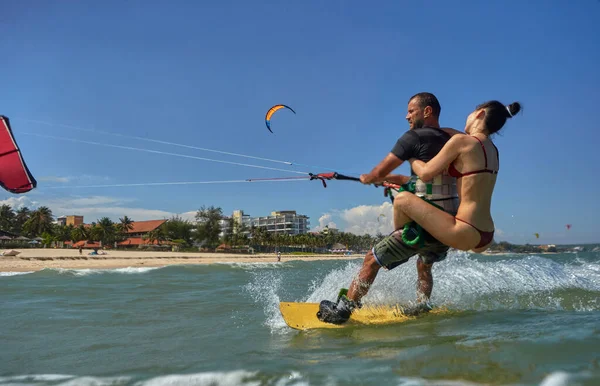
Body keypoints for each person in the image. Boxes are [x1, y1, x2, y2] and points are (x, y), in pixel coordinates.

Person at [317, 92, 460, 324]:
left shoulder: (414, 137)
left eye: (411, 111)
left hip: (423, 229)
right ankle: (422, 305)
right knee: (424, 265)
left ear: (427, 111)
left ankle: (343, 310)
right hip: (449, 230)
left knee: (371, 260)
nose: (407, 116)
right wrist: (388, 180)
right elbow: (423, 180)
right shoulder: (453, 140)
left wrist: (370, 177)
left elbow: (378, 171)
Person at [393, 100, 521, 252]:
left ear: (479, 114)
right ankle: (425, 256)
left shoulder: (462, 142)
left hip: (464, 228)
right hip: (486, 233)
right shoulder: (492, 150)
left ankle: (403, 246)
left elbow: (425, 173)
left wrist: (410, 155)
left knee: (402, 200)